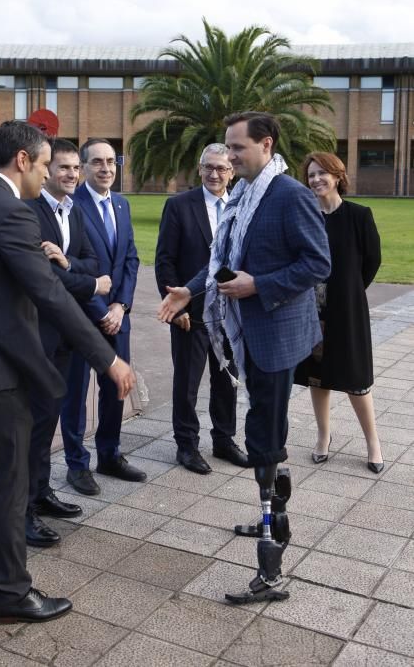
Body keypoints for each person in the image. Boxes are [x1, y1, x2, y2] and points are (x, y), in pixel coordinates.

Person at [0, 121, 135, 626]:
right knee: (10, 487)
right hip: (0, 377)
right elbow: (50, 295)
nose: (43, 174)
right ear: (22, 161)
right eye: (41, 164)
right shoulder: (11, 214)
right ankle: (12, 593)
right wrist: (109, 358)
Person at [158, 111, 330, 604]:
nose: (229, 158)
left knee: (264, 437)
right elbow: (222, 263)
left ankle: (271, 566)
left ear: (266, 145)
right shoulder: (243, 197)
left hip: (275, 337)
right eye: (226, 150)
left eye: (237, 149)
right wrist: (188, 292)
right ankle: (275, 514)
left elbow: (318, 263)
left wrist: (260, 286)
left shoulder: (289, 195)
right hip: (249, 336)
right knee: (266, 434)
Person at [24, 138, 113, 547]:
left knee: (47, 421)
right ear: (47, 170)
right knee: (29, 425)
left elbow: (91, 261)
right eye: (63, 168)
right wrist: (92, 283)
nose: (73, 175)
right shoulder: (30, 211)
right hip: (35, 335)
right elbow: (48, 281)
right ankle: (22, 511)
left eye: (76, 168)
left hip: (64, 337)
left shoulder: (73, 211)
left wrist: (67, 261)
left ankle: (40, 493)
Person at [155, 143, 247, 474]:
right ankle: (187, 446)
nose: (214, 174)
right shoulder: (179, 206)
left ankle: (223, 440)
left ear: (232, 172)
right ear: (199, 168)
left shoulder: (241, 206)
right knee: (187, 384)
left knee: (227, 381)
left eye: (222, 168)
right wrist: (174, 308)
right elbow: (164, 260)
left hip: (230, 314)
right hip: (189, 315)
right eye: (208, 167)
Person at [60, 138, 145, 496]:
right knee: (75, 395)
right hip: (82, 320)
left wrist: (120, 306)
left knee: (116, 390)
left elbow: (130, 259)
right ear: (83, 167)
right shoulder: (71, 206)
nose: (106, 168)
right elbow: (69, 268)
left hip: (116, 317)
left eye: (111, 161)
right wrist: (100, 311)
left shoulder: (122, 205)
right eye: (96, 162)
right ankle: (77, 465)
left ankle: (109, 454)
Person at [294, 152, 383, 473]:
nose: (316, 179)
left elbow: (371, 262)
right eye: (311, 174)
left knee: (356, 380)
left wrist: (349, 292)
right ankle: (323, 437)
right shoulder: (305, 215)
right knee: (319, 378)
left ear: (337, 176)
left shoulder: (359, 215)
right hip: (310, 313)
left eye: (322, 174)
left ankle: (373, 443)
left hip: (346, 313)